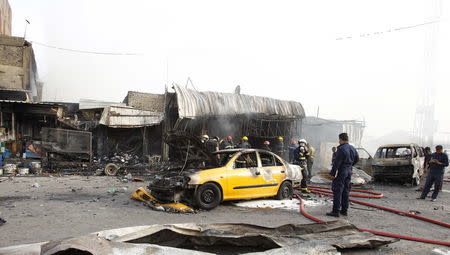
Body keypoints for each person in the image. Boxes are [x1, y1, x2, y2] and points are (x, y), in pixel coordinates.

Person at [327, 133, 359, 217]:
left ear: (340, 139)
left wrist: (332, 173)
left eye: (339, 139)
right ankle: (344, 210)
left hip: (342, 171)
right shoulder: (352, 148)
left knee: (337, 190)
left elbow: (337, 163)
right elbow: (357, 158)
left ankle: (335, 211)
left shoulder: (341, 149)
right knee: (346, 190)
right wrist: (350, 165)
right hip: (349, 171)